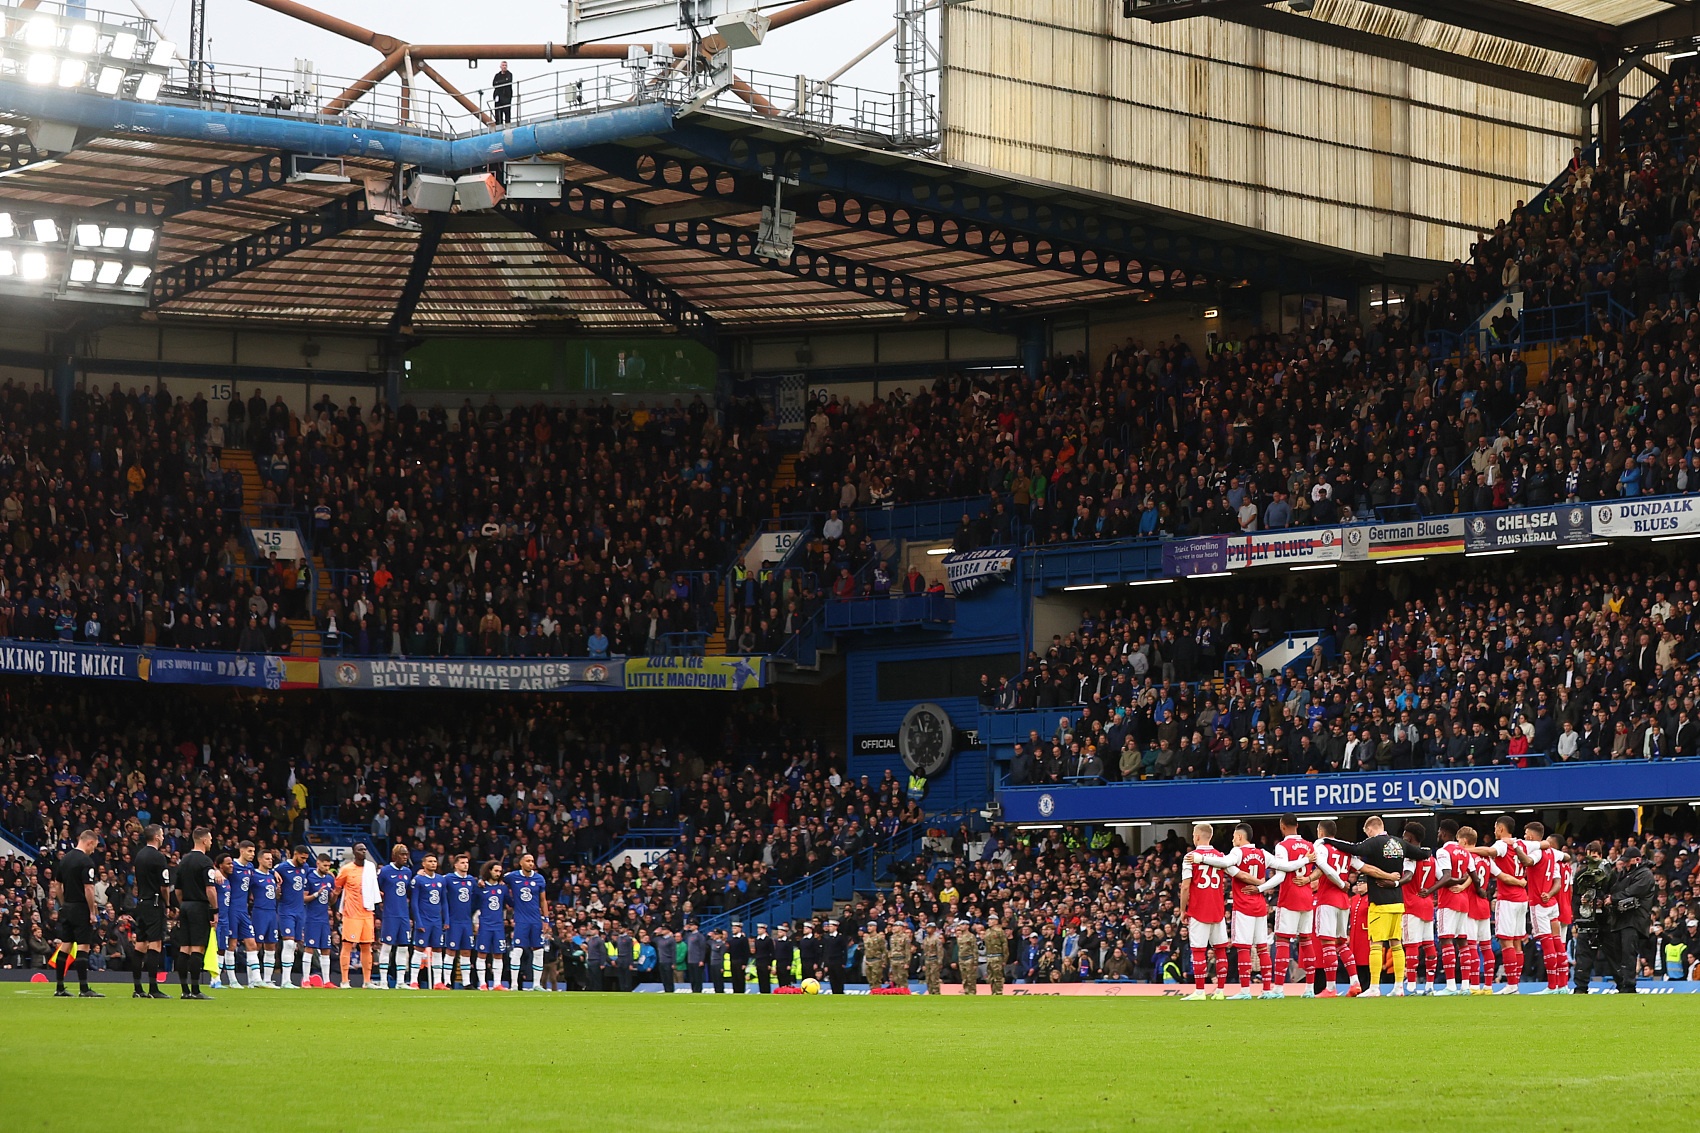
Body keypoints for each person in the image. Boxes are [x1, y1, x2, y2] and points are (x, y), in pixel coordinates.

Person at [1318, 814, 1430, 997]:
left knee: (1376, 944)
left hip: (1379, 901)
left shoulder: (1374, 842)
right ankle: (1399, 987)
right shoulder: (1398, 843)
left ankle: (1374, 987)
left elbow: (1354, 848)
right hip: (1398, 902)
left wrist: (1329, 841)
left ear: (1370, 829)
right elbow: (1422, 853)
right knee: (1396, 945)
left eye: (1367, 832)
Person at [1193, 823, 1302, 999]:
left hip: (1243, 905)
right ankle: (1267, 990)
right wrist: (1305, 860)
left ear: (1240, 837)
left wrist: (1202, 859)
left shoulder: (1237, 853)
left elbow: (1225, 864)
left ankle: (1245, 991)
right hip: (1260, 906)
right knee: (1262, 948)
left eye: (1234, 836)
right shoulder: (1263, 853)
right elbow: (1286, 867)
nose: (1232, 839)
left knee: (1243, 948)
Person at [1466, 815, 1531, 994]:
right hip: (1521, 899)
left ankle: (1511, 984)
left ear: (1501, 829)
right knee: (1517, 942)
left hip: (1508, 898)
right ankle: (1515, 984)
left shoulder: (1501, 844)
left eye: (1495, 827)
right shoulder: (1521, 844)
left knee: (1506, 941)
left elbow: (1490, 852)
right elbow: (1542, 845)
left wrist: (1468, 849)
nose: (1494, 831)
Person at [1514, 824, 1570, 993]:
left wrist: (1515, 847)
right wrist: (1550, 893)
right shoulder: (1553, 854)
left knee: (1547, 944)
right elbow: (1558, 881)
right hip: (1553, 903)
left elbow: (1527, 861)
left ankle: (1552, 986)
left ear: (1530, 837)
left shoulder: (1536, 853)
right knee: (1558, 943)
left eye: (1525, 833)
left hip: (1539, 904)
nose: (1524, 836)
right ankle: (1563, 985)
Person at [1426, 818, 1478, 995]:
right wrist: (1469, 887)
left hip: (1448, 900)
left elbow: (1446, 877)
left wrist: (1430, 890)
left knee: (1446, 939)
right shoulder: (1465, 852)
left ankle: (1450, 986)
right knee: (1463, 941)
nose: (1438, 834)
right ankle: (1465, 985)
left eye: (1440, 831)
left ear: (1444, 832)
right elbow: (1475, 877)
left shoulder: (1443, 851)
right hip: (1464, 900)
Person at [1179, 822, 1229, 1000]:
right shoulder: (1220, 856)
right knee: (1220, 949)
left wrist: (1182, 909)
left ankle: (1200, 991)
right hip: (1217, 909)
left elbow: (1185, 887)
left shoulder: (1190, 857)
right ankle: (1220, 991)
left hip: (1199, 909)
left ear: (1198, 836)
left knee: (1199, 950)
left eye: (1193, 835)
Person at [50, 829, 102, 998]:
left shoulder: (64, 859)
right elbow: (89, 888)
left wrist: (63, 904)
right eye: (94, 846)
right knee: (83, 947)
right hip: (80, 908)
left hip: (67, 907)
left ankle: (59, 987)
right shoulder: (86, 862)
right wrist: (92, 911)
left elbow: (57, 885)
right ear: (89, 842)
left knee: (65, 945)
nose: (93, 850)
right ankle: (84, 988)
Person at [1271, 814, 1317, 996]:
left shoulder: (1282, 846)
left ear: (1282, 826)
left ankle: (1278, 988)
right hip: (1306, 897)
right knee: (1306, 941)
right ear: (1297, 825)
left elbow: (1284, 868)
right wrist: (1309, 878)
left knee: (1282, 941)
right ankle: (1310, 989)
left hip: (1289, 897)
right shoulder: (1310, 846)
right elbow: (1322, 867)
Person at [1310, 819, 1353, 997]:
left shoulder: (1321, 847)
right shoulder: (1345, 849)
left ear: (1320, 832)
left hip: (1328, 898)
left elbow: (1325, 869)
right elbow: (1361, 866)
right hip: (1344, 901)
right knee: (1341, 944)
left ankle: (1330, 987)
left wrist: (1341, 883)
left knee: (1328, 944)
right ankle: (1356, 982)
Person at [174, 827, 219, 1000]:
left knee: (184, 948)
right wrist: (214, 910)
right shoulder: (205, 862)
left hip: (185, 905)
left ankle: (184, 990)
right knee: (197, 948)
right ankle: (195, 990)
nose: (211, 842)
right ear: (203, 840)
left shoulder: (183, 861)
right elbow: (210, 889)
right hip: (199, 907)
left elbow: (177, 890)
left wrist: (184, 904)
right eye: (210, 839)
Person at [1606, 845, 1656, 994]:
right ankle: (1622, 984)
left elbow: (1633, 891)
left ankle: (1629, 986)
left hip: (1634, 919)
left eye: (1628, 861)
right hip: (1619, 919)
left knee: (1628, 953)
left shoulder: (1645, 874)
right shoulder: (1623, 874)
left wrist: (1613, 898)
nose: (1625, 863)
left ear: (1637, 859)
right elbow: (1616, 889)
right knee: (1618, 953)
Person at [132, 823, 172, 999]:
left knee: (140, 944)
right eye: (162, 834)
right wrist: (168, 904)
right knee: (155, 944)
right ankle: (153, 988)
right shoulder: (159, 857)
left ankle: (137, 988)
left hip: (141, 903)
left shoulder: (139, 855)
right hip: (154, 904)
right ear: (156, 837)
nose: (163, 837)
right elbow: (164, 887)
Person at [1399, 821, 1440, 996]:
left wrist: (1394, 883)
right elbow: (1442, 877)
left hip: (1411, 904)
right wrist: (1431, 891)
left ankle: (1411, 986)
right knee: (1429, 944)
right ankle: (1430, 985)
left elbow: (1408, 876)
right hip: (1427, 905)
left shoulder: (1409, 858)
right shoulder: (1431, 859)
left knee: (1411, 945)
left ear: (1409, 837)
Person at [1569, 841, 1613, 993]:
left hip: (1605, 921)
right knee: (1583, 956)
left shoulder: (1609, 873)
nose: (1593, 860)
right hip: (1586, 919)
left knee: (1613, 955)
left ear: (1601, 856)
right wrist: (1577, 916)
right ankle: (1580, 987)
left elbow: (1613, 893)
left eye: (1595, 856)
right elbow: (1574, 896)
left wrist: (1602, 901)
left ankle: (1623, 985)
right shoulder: (1581, 874)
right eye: (1590, 856)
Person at [333, 843, 377, 989]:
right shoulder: (346, 869)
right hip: (351, 913)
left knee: (366, 946)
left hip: (367, 912)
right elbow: (337, 889)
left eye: (365, 849)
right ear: (354, 852)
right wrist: (336, 907)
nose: (363, 851)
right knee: (347, 945)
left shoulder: (370, 868)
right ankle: (344, 981)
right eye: (360, 849)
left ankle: (367, 981)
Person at [505, 853, 549, 992]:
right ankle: (514, 985)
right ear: (521, 863)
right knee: (517, 951)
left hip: (536, 920)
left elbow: (543, 900)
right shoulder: (512, 877)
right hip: (521, 920)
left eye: (532, 861)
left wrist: (545, 919)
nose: (531, 863)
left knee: (539, 951)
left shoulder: (539, 878)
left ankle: (536, 984)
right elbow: (497, 880)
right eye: (528, 861)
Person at [376, 844, 414, 991]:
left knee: (403, 948)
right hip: (390, 915)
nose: (405, 857)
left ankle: (400, 981)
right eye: (402, 855)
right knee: (386, 947)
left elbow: (409, 892)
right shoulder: (385, 871)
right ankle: (384, 981)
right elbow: (377, 890)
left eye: (406, 854)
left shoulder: (407, 872)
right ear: (394, 856)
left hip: (403, 915)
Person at [275, 845, 312, 989]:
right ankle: (285, 980)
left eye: (305, 858)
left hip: (299, 911)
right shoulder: (282, 867)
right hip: (286, 910)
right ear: (295, 854)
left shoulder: (306, 868)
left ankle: (288, 980)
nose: (304, 860)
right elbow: (271, 872)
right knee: (288, 943)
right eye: (301, 857)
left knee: (295, 945)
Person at [409, 853, 447, 989]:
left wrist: (446, 920)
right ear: (423, 864)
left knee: (437, 950)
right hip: (424, 920)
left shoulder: (441, 880)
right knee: (419, 950)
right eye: (430, 861)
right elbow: (414, 903)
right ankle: (414, 980)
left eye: (435, 861)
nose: (433, 863)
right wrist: (418, 921)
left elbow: (444, 902)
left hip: (437, 921)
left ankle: (438, 982)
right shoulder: (418, 880)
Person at [443, 854, 478, 989]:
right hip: (453, 920)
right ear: (455, 865)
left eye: (467, 862)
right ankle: (447, 981)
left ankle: (466, 982)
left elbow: (477, 898)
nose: (465, 865)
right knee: (451, 951)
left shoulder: (471, 880)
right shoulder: (448, 878)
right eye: (462, 862)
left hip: (466, 921)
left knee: (466, 952)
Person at [248, 849, 281, 988]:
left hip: (272, 913)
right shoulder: (254, 875)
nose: (270, 861)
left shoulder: (272, 876)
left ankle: (267, 979)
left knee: (271, 945)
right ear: (260, 860)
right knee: (256, 945)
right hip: (259, 912)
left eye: (271, 859)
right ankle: (252, 979)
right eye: (267, 858)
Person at [302, 854, 335, 987]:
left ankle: (326, 981)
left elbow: (331, 902)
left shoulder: (329, 879)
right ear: (318, 863)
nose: (327, 868)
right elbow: (304, 898)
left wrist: (334, 895)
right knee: (309, 948)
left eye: (329, 866)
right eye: (325, 865)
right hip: (312, 918)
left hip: (324, 919)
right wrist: (317, 893)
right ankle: (305, 979)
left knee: (326, 949)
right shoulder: (310, 877)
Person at [227, 840, 257, 989]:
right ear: (242, 851)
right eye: (250, 851)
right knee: (231, 944)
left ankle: (254, 980)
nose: (252, 854)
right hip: (232, 909)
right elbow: (216, 870)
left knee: (252, 944)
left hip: (244, 911)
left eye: (253, 851)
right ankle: (232, 980)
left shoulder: (250, 867)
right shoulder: (231, 865)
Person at [474, 860, 507, 990]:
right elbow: (473, 905)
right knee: (482, 954)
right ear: (489, 871)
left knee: (498, 954)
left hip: (499, 926)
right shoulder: (480, 887)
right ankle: (482, 983)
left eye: (500, 871)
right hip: (485, 926)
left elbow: (510, 902)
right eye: (496, 871)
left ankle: (497, 983)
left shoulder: (503, 888)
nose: (498, 873)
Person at [984, 914, 1008, 994]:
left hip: (997, 956)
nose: (989, 922)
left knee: (998, 976)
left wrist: (1005, 958)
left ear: (996, 921)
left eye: (991, 920)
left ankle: (999, 992)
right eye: (989, 920)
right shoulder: (987, 931)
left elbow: (1004, 945)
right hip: (989, 956)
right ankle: (993, 992)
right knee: (990, 977)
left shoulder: (999, 931)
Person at [888, 922, 914, 991]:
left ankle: (904, 993)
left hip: (901, 960)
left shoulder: (905, 937)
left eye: (896, 926)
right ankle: (897, 992)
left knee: (902, 979)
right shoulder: (892, 937)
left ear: (901, 927)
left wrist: (907, 962)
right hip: (894, 960)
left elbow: (907, 951)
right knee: (895, 979)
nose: (894, 928)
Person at [954, 919, 978, 994]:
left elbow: (974, 949)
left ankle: (972, 992)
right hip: (962, 959)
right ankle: (966, 991)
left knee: (971, 978)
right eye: (960, 925)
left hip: (969, 958)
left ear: (967, 926)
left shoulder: (971, 936)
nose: (961, 926)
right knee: (964, 978)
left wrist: (975, 962)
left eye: (963, 925)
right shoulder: (959, 937)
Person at [823, 920, 847, 994]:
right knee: (832, 978)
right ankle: (834, 992)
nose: (829, 928)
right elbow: (826, 951)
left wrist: (844, 962)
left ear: (835, 927)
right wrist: (826, 964)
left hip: (838, 961)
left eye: (831, 926)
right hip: (830, 961)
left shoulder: (840, 937)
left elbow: (844, 950)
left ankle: (840, 992)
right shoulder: (826, 938)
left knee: (839, 978)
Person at [860, 921, 886, 988]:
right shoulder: (866, 938)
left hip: (876, 960)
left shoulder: (879, 937)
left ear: (875, 927)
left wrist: (884, 962)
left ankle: (877, 995)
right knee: (870, 980)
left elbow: (884, 950)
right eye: (868, 926)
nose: (869, 928)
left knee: (876, 980)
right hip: (868, 960)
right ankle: (872, 993)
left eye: (871, 926)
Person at [922, 923, 944, 994]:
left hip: (934, 960)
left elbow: (940, 951)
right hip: (927, 960)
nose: (928, 929)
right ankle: (930, 992)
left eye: (930, 928)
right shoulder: (926, 939)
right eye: (927, 928)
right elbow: (924, 951)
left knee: (934, 978)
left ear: (934, 929)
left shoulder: (936, 939)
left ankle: (936, 992)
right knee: (928, 979)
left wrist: (939, 962)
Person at [729, 921, 751, 994]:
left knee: (740, 977)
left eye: (735, 928)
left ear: (739, 929)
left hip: (740, 961)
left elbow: (746, 951)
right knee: (734, 977)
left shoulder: (743, 939)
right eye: (733, 928)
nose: (733, 929)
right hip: (733, 960)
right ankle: (735, 991)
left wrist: (744, 963)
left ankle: (741, 991)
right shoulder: (732, 939)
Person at [685, 920, 707, 993]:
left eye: (692, 925)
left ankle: (698, 990)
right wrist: (684, 930)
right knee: (692, 977)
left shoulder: (700, 936)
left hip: (697, 959)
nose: (690, 926)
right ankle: (693, 989)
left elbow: (702, 949)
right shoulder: (689, 935)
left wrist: (701, 960)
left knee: (697, 977)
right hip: (690, 959)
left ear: (696, 926)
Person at [753, 923, 774, 994]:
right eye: (758, 929)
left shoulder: (768, 940)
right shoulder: (757, 939)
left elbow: (772, 952)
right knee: (760, 978)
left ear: (764, 930)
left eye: (760, 929)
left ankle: (767, 992)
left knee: (765, 978)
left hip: (765, 962)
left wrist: (769, 964)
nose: (758, 930)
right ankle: (761, 991)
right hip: (759, 962)